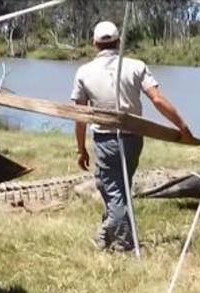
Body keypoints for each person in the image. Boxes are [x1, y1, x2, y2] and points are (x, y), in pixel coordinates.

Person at [71, 21, 193, 252]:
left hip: (105, 139)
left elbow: (79, 116)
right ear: (119, 42)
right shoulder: (136, 66)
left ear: (94, 43)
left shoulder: (84, 71)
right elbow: (157, 99)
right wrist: (182, 125)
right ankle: (104, 235)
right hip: (133, 139)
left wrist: (80, 147)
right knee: (116, 187)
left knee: (113, 190)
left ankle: (124, 244)